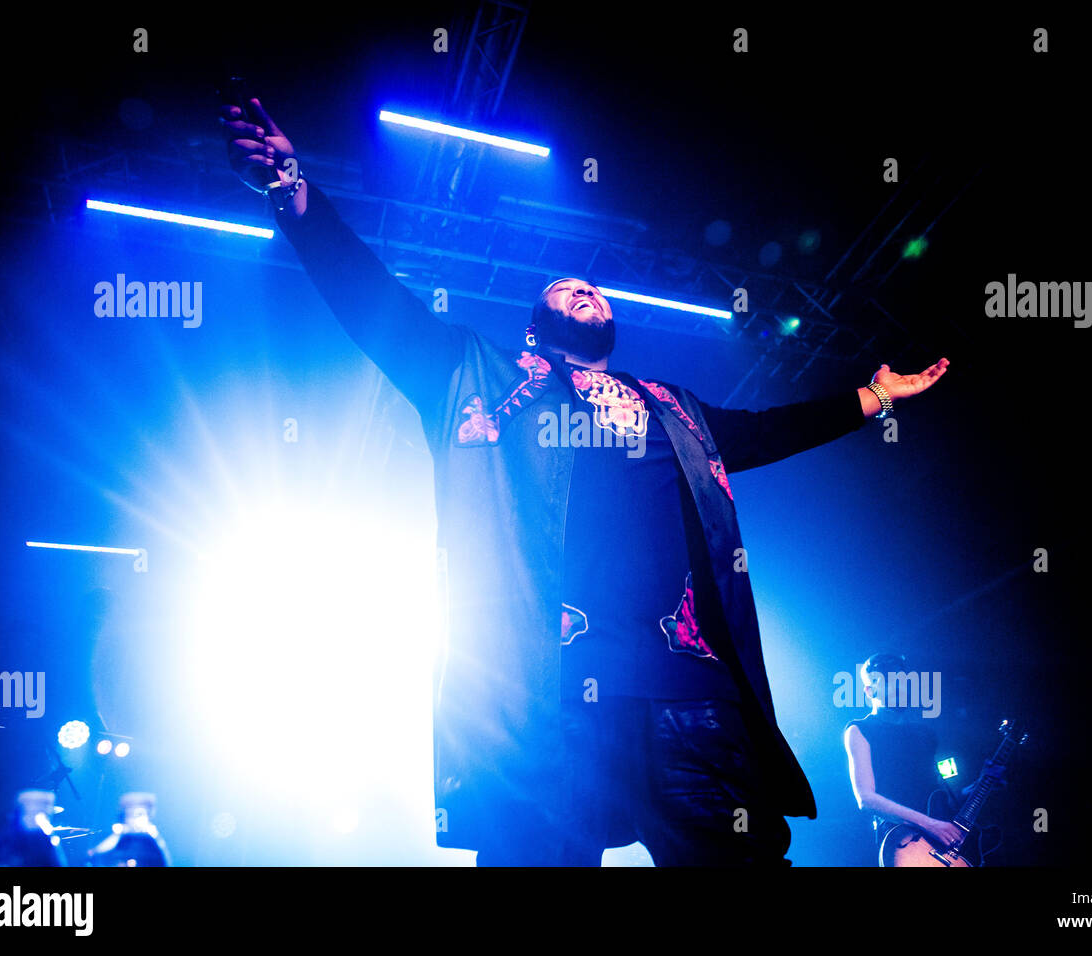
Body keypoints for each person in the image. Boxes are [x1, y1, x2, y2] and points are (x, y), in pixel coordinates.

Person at [221, 96, 951, 865]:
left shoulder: (676, 408)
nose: (585, 289)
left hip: (687, 686)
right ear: (536, 326)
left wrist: (871, 398)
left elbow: (767, 432)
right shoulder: (477, 373)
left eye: (593, 288)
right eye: (564, 289)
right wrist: (293, 189)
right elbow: (373, 304)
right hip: (547, 693)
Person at [844, 652, 1004, 864]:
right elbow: (866, 799)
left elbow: (939, 796)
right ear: (870, 690)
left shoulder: (924, 734)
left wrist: (978, 786)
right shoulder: (859, 730)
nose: (899, 688)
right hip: (905, 843)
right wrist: (930, 824)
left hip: (939, 842)